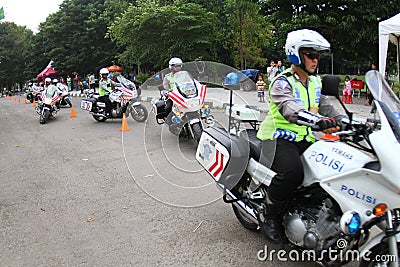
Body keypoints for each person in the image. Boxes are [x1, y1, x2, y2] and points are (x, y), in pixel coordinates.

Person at [256, 29, 345, 244]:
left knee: (331, 170)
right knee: (292, 173)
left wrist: (348, 122)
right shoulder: (282, 82)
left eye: (317, 55)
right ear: (296, 54)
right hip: (278, 138)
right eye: (310, 55)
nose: (315, 60)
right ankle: (269, 215)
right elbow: (290, 109)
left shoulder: (315, 82)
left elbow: (328, 108)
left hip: (305, 138)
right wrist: (320, 123)